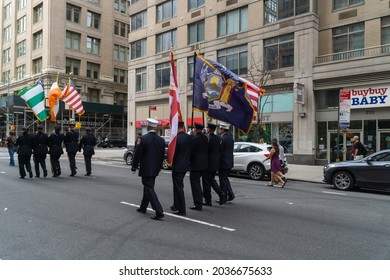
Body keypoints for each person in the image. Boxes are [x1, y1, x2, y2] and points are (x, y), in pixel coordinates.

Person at [131, 118, 165, 220]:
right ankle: (143, 207)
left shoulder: (143, 139)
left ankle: (159, 211)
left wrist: (134, 166)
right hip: (155, 169)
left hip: (146, 168)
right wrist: (159, 167)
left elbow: (138, 154)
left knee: (149, 188)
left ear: (148, 127)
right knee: (148, 187)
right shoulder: (161, 140)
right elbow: (162, 155)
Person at [170, 121, 193, 216]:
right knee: (177, 186)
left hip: (177, 166)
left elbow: (173, 153)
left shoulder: (176, 139)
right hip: (185, 165)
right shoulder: (189, 138)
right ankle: (176, 205)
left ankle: (181, 209)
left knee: (178, 187)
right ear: (183, 127)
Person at [202, 122, 226, 206]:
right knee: (211, 180)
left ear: (210, 129)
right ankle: (221, 194)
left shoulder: (209, 139)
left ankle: (208, 200)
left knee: (206, 182)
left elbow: (205, 150)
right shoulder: (218, 138)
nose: (207, 129)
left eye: (208, 128)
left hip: (209, 163)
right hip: (216, 162)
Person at [189, 122, 208, 211]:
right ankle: (200, 200)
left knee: (195, 185)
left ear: (196, 129)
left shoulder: (194, 139)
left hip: (195, 164)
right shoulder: (205, 138)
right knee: (198, 183)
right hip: (204, 164)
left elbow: (191, 151)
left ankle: (198, 203)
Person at [218, 123, 235, 202]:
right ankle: (231, 194)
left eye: (220, 129)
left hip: (223, 162)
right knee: (225, 179)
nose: (219, 130)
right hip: (229, 161)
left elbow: (220, 152)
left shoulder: (222, 139)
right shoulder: (231, 138)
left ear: (222, 130)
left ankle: (223, 197)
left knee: (222, 180)